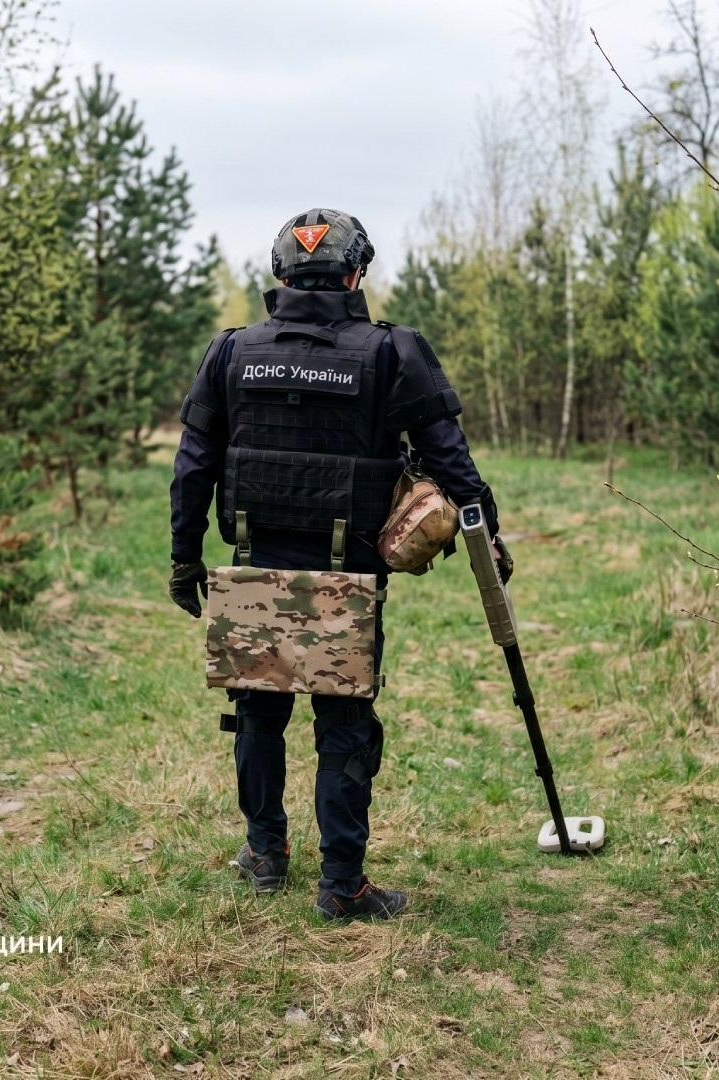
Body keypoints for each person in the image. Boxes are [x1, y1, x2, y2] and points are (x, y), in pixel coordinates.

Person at [168, 208, 510, 920]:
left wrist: (184, 558)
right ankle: (342, 885)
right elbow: (451, 461)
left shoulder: (230, 352)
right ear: (356, 275)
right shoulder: (393, 353)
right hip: (347, 575)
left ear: (282, 276)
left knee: (257, 715)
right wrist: (491, 537)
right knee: (346, 726)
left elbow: (193, 463)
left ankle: (265, 854)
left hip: (253, 564)